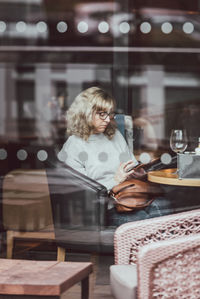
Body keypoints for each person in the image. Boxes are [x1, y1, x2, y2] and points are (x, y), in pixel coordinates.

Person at [58, 86, 171, 226]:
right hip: (100, 212)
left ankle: (158, 248)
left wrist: (139, 171)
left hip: (126, 198)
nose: (107, 119)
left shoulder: (114, 134)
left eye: (109, 114)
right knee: (152, 218)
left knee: (164, 204)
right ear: (85, 113)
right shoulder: (74, 145)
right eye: (101, 114)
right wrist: (116, 180)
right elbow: (80, 194)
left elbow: (130, 165)